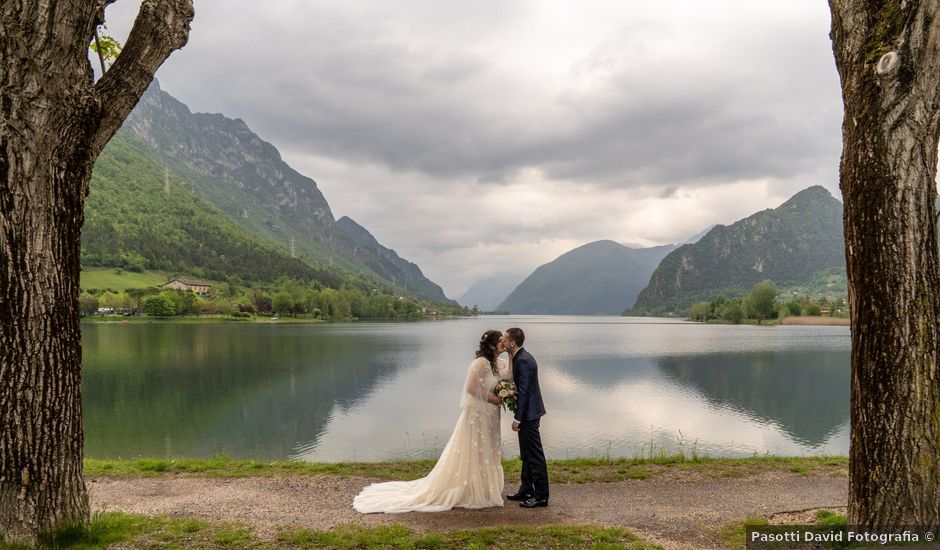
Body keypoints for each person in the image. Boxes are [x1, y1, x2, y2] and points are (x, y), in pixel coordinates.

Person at [352, 330, 510, 513]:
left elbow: (508, 376)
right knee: (474, 449)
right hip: (478, 415)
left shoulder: (498, 363)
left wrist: (512, 359)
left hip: (491, 416)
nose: (503, 343)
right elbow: (471, 389)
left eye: (504, 341)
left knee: (487, 449)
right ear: (491, 345)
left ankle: (484, 487)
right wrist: (493, 399)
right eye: (500, 341)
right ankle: (469, 488)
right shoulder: (480, 363)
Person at [504, 327, 549, 508]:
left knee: (535, 455)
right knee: (526, 454)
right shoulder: (519, 357)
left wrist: (517, 418)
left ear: (512, 343)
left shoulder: (523, 360)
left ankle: (541, 496)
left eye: (506, 340)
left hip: (529, 415)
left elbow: (524, 392)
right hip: (529, 413)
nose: (504, 342)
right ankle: (526, 488)